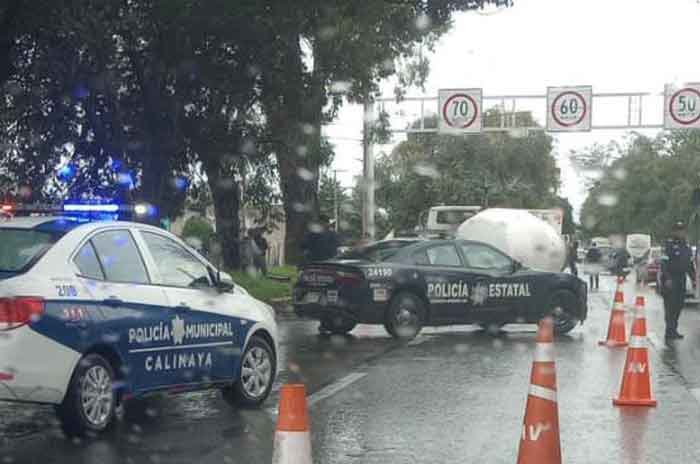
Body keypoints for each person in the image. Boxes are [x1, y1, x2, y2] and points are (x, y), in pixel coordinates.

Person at [660, 221, 696, 341]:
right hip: (670, 279)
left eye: (682, 231)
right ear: (674, 232)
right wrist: (668, 278)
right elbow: (664, 263)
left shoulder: (686, 246)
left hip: (681, 279)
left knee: (679, 305)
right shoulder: (668, 245)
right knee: (670, 306)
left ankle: (673, 330)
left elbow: (690, 264)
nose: (681, 233)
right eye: (678, 230)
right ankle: (669, 331)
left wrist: (694, 278)